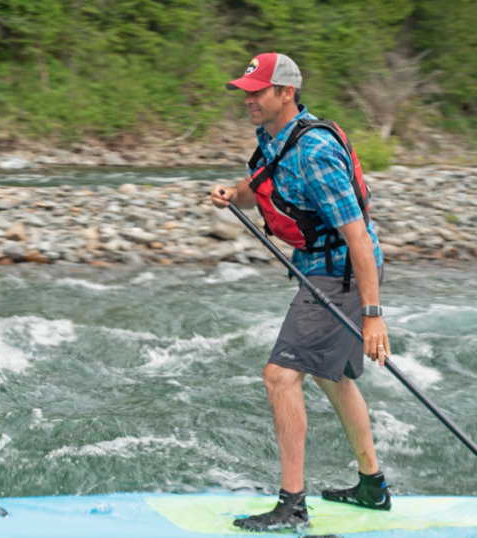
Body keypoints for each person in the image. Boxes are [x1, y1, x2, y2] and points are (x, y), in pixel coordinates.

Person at [210, 52, 392, 532]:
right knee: (333, 378)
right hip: (322, 269)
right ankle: (372, 487)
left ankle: (292, 504)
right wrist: (234, 193)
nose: (247, 99)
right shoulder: (273, 137)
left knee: (279, 376)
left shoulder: (315, 151)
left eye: (257, 91)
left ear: (286, 93)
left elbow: (357, 234)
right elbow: (260, 183)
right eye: (245, 91)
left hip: (344, 275)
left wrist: (373, 314)